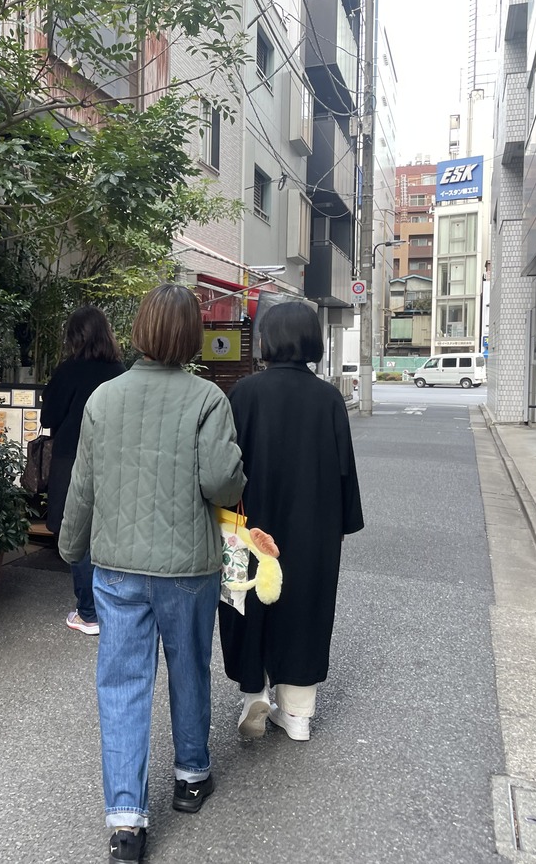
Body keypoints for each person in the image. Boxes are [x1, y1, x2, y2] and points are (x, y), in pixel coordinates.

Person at [59, 283, 245, 863]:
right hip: (188, 566)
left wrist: (70, 546)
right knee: (189, 667)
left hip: (116, 567)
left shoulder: (103, 399)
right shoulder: (208, 399)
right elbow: (222, 483)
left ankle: (126, 824)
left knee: (122, 683)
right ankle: (190, 776)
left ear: (139, 330)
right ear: (193, 336)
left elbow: (83, 485)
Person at [219, 301, 364, 742]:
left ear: (268, 341)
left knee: (248, 600)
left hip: (249, 525)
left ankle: (254, 693)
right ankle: (298, 715)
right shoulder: (329, 398)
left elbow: (226, 466)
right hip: (314, 527)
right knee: (306, 607)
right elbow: (344, 470)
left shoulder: (244, 393)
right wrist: (342, 525)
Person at [41, 306, 126, 636]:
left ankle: (88, 613)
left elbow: (49, 417)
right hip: (114, 459)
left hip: (71, 458)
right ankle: (110, 606)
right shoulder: (120, 372)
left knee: (78, 531)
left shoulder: (68, 371)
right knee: (107, 531)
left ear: (75, 336)